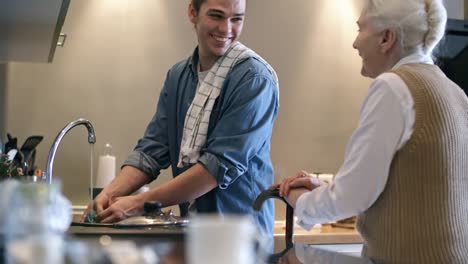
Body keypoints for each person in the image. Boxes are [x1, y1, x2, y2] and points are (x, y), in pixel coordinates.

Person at [273, 0, 468, 263]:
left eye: (360, 29)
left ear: (386, 38)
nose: (355, 44)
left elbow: (351, 197)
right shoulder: (454, 91)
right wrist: (327, 188)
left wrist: (297, 198)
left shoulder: (393, 87)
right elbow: (415, 190)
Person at [83, 0, 279, 235]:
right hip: (194, 234)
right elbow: (151, 151)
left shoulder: (254, 79)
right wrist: (110, 193)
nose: (226, 29)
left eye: (236, 18)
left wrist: (137, 203)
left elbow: (216, 168)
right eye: (216, 16)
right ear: (192, 13)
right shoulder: (178, 76)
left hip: (242, 239)